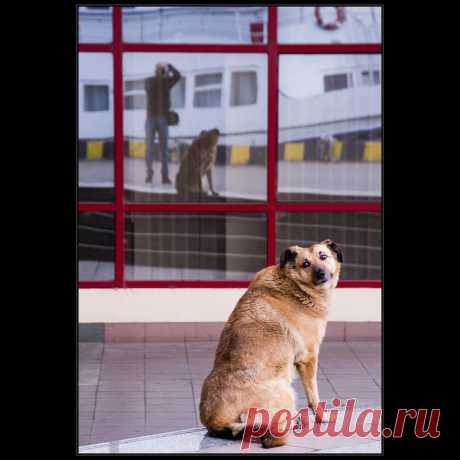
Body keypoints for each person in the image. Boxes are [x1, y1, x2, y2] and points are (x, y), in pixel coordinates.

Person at [144, 62, 181, 184]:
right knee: (149, 148)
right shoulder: (149, 81)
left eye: (163, 70)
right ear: (155, 70)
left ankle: (165, 176)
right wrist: (163, 74)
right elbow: (151, 87)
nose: (163, 71)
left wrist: (170, 66)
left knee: (164, 149)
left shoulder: (166, 82)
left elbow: (178, 76)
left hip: (163, 118)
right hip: (151, 118)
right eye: (161, 69)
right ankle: (149, 175)